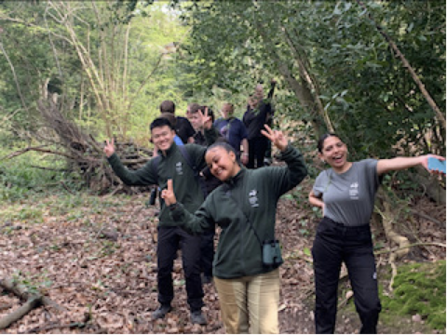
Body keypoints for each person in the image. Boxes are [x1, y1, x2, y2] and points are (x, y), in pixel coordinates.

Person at [161, 125, 308, 334]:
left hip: (262, 270)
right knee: (237, 329)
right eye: (210, 165)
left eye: (217, 160)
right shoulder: (216, 197)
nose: (214, 167)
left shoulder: (264, 178)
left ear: (232, 155)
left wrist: (286, 149)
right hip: (228, 272)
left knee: (266, 330)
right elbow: (196, 226)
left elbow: (298, 172)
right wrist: (175, 206)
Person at [308, 133, 446, 335]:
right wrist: (323, 205)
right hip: (329, 237)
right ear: (321, 156)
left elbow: (393, 163)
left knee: (370, 303)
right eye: (329, 149)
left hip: (358, 240)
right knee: (325, 298)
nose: (335, 151)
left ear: (345, 147)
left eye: (339, 145)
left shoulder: (365, 168)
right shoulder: (324, 177)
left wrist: (421, 159)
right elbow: (312, 197)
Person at [104, 115, 218, 325]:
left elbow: (216, 152)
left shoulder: (189, 152)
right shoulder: (156, 164)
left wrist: (208, 129)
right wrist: (113, 158)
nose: (162, 138)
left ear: (173, 134)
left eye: (165, 134)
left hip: (190, 219)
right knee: (163, 266)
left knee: (191, 266)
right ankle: (164, 303)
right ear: (153, 140)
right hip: (167, 221)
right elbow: (131, 178)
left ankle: (196, 307)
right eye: (157, 136)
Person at [243, 80, 276, 169]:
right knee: (249, 163)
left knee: (259, 163)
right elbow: (244, 126)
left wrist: (272, 86)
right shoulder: (247, 112)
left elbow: (269, 98)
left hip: (260, 139)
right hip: (249, 140)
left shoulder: (262, 108)